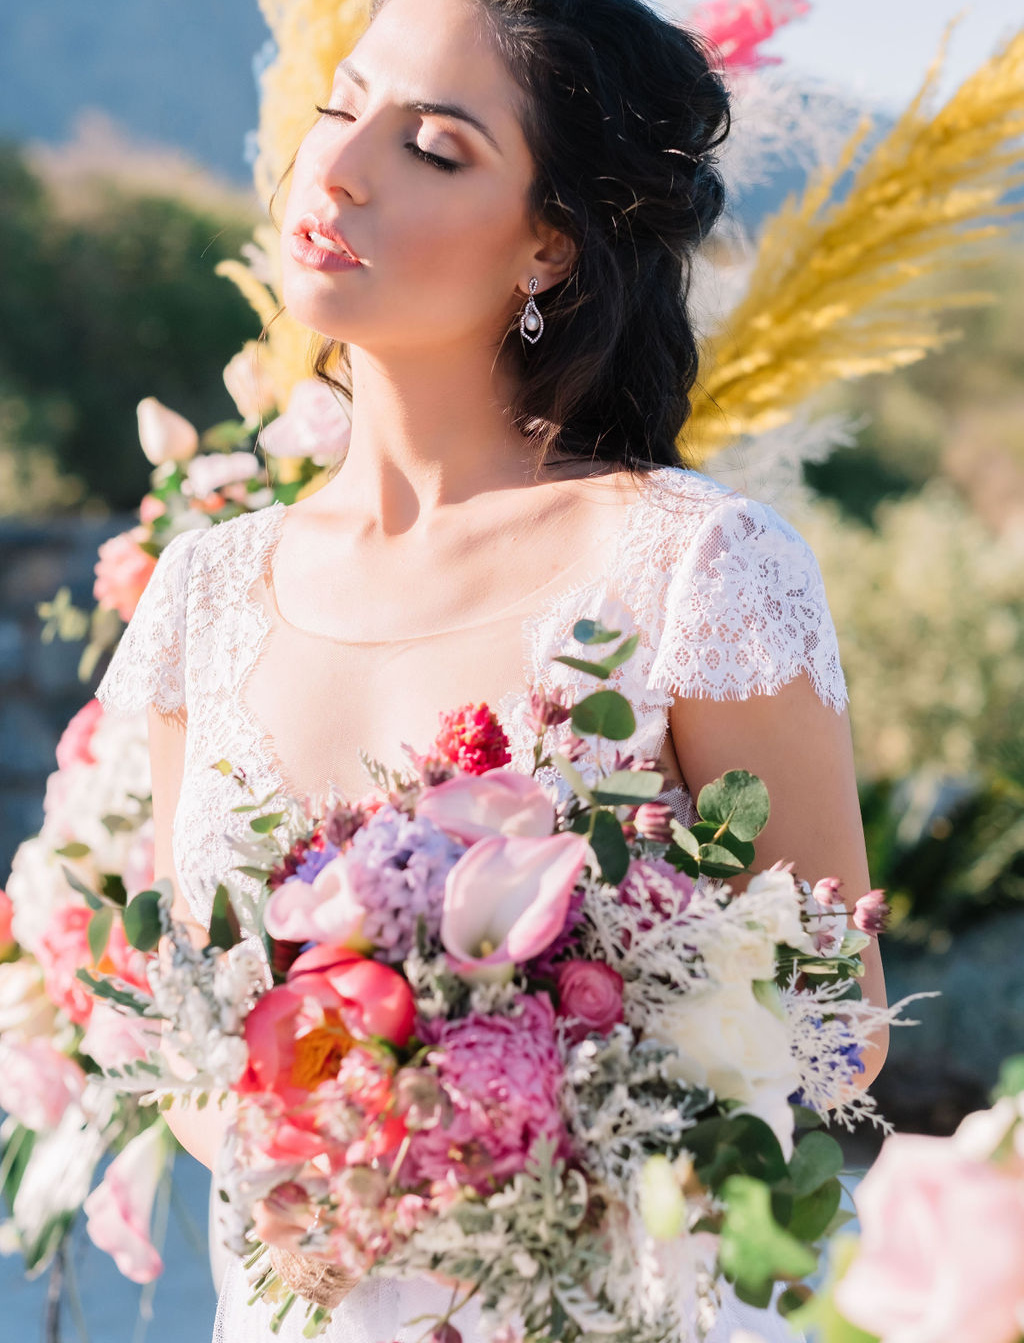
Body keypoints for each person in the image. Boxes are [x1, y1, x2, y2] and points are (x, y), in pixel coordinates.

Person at [96, 0, 889, 1337]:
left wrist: (530, 1101)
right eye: (344, 105)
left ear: (549, 245)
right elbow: (171, 1034)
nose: (339, 167)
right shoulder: (206, 587)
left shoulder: (696, 571)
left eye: (438, 148)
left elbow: (832, 1034)